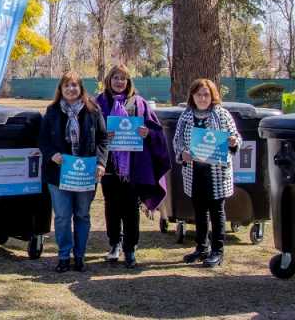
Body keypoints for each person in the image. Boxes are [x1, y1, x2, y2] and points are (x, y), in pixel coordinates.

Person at [96, 65, 171, 268]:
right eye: (116, 78)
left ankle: (130, 248)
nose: (120, 82)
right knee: (111, 207)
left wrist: (147, 134)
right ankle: (114, 244)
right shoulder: (99, 102)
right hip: (109, 165)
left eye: (124, 78)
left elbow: (156, 132)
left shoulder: (139, 103)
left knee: (130, 209)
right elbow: (91, 129)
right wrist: (103, 135)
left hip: (133, 166)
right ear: (109, 80)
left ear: (129, 82)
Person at [38, 71, 108, 273]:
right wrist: (52, 155)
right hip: (58, 174)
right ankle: (63, 256)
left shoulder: (93, 110)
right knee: (61, 216)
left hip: (85, 174)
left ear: (81, 89)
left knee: (82, 215)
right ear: (60, 89)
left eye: (74, 85)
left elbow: (103, 139)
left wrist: (101, 163)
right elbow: (43, 140)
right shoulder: (52, 112)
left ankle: (79, 256)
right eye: (66, 85)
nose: (71, 89)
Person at [173, 78, 241, 268]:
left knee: (217, 211)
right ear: (192, 96)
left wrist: (234, 142)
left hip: (216, 171)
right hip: (194, 171)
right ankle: (202, 247)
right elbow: (177, 141)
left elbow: (236, 138)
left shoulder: (222, 115)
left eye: (206, 94)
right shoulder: (186, 117)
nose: (202, 98)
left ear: (212, 96)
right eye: (198, 94)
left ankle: (218, 251)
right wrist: (182, 153)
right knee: (199, 211)